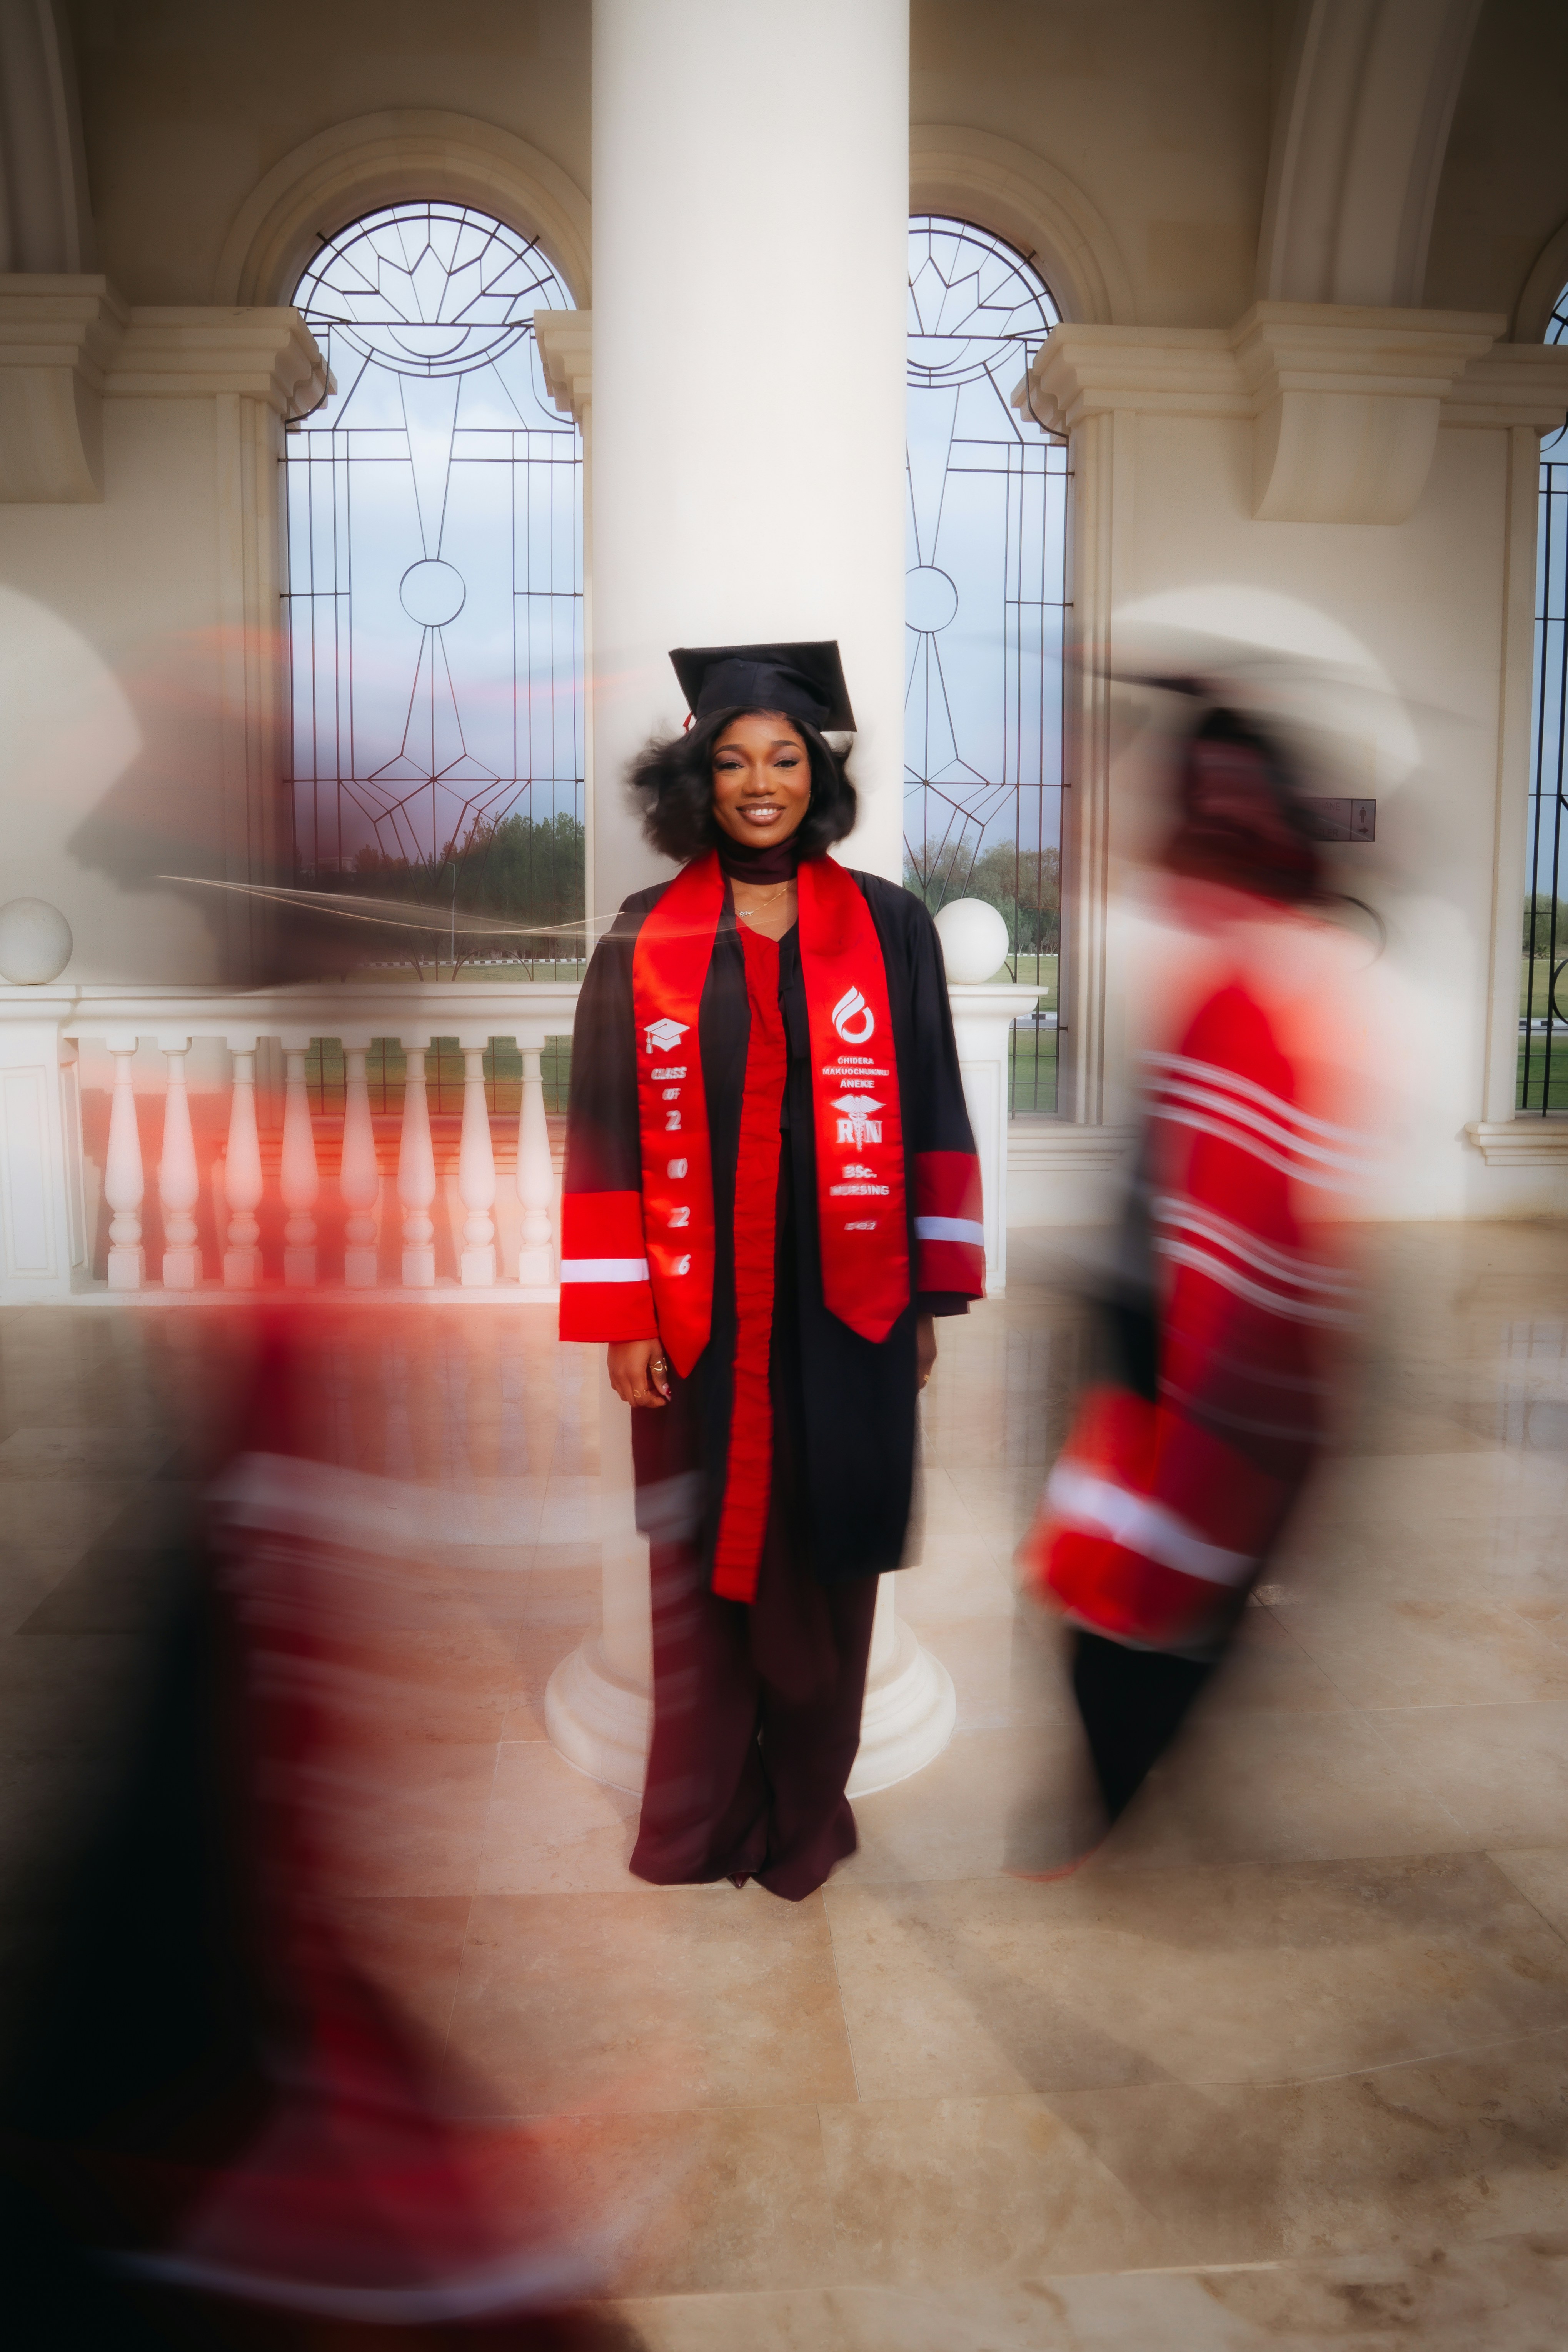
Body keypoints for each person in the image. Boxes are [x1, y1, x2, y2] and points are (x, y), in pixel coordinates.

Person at [560, 641, 984, 1900]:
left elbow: (933, 1115)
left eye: (784, 758)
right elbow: (602, 1136)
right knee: (697, 1568)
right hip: (696, 1311)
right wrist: (620, 1316)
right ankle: (700, 1815)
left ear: (818, 776)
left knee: (829, 1555)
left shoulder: (891, 928)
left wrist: (923, 1294)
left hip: (843, 1302)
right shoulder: (644, 941)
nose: (759, 782)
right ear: (697, 779)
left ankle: (807, 1808)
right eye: (733, 759)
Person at [1018, 701, 1369, 1867]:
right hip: (1169, 1345)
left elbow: (1249, 1231)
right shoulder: (1230, 991)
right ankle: (1111, 1788)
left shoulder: (1256, 1004)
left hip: (1203, 1368)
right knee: (1125, 1596)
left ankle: (1109, 1799)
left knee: (1151, 1605)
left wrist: (1200, 1392)